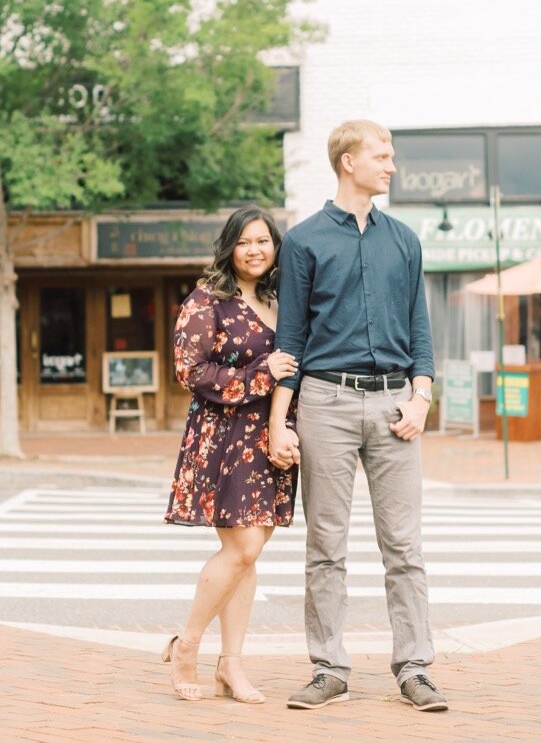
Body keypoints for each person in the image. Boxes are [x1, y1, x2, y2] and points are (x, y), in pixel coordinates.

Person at [267, 118, 447, 714]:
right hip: (325, 402)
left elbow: (420, 330)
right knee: (326, 545)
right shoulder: (305, 240)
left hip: (397, 402)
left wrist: (422, 396)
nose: (391, 165)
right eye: (382, 155)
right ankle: (328, 667)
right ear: (349, 161)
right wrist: (279, 420)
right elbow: (291, 338)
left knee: (404, 545)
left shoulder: (405, 240)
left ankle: (415, 667)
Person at [162, 205, 299, 704]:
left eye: (263, 241)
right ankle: (187, 646)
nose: (255, 250)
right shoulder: (208, 300)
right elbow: (189, 370)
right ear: (229, 248)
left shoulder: (281, 301)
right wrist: (263, 373)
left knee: (250, 554)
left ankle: (231, 666)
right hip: (224, 437)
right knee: (241, 549)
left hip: (270, 437)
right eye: (244, 242)